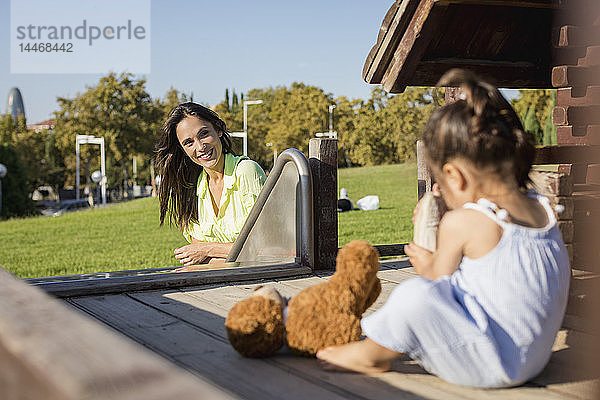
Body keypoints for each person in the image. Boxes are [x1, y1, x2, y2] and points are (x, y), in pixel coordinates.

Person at [316, 69, 571, 388]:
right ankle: (377, 337)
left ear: (454, 176)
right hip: (533, 359)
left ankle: (369, 351)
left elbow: (437, 283)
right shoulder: (541, 207)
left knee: (414, 296)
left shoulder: (465, 221)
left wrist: (426, 263)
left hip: (491, 365)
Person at [156, 102, 266, 271]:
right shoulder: (192, 187)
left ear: (219, 129)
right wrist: (226, 254)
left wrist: (209, 249)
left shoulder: (246, 171)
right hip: (215, 283)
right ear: (183, 149)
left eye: (204, 134)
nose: (200, 147)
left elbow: (265, 246)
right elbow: (198, 257)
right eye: (188, 142)